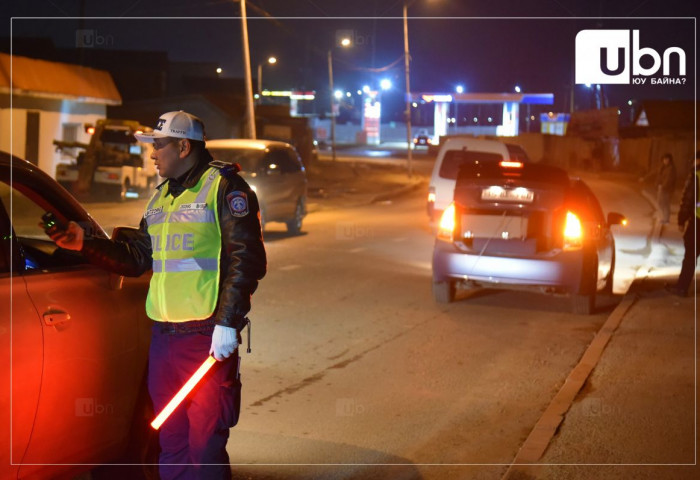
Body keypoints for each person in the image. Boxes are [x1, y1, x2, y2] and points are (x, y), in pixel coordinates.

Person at [44, 111, 266, 480]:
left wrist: (227, 324)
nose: (152, 153)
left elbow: (248, 260)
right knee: (170, 438)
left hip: (205, 336)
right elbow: (136, 259)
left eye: (158, 145)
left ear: (183, 146)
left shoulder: (226, 188)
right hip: (163, 337)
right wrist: (85, 244)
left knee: (205, 443)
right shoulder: (161, 197)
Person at [666, 151, 700, 297]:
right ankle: (681, 285)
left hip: (697, 222)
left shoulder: (696, 176)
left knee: (690, 256)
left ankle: (681, 288)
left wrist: (681, 219)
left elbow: (688, 200)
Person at [641, 153, 677, 224]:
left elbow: (669, 180)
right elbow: (653, 172)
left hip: (666, 189)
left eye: (667, 159)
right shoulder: (662, 167)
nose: (665, 160)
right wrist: (644, 178)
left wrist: (663, 186)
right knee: (661, 203)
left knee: (665, 203)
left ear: (670, 160)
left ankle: (666, 219)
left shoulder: (671, 169)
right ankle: (665, 218)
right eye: (664, 159)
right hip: (661, 187)